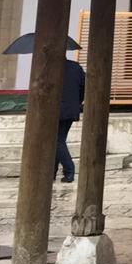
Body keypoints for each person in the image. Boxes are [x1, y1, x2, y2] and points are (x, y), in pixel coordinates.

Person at [56, 48, 86, 184]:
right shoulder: (76, 67)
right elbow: (84, 88)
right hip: (71, 109)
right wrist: (77, 102)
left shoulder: (51, 68)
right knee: (57, 141)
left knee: (57, 141)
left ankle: (69, 170)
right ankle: (52, 171)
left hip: (56, 110)